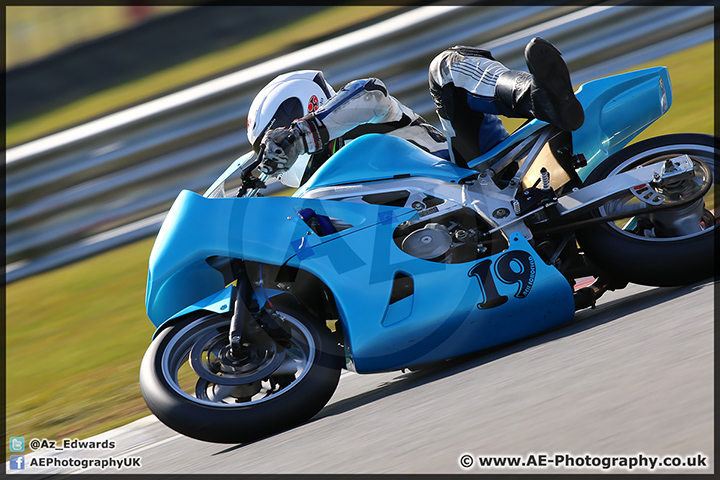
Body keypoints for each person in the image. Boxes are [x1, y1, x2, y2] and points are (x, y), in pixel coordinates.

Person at [248, 37, 583, 180]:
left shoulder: (357, 115)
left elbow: (372, 93)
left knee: (445, 67)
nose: (275, 147)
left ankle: (536, 96)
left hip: (473, 168)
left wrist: (301, 135)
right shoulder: (311, 203)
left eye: (276, 131)